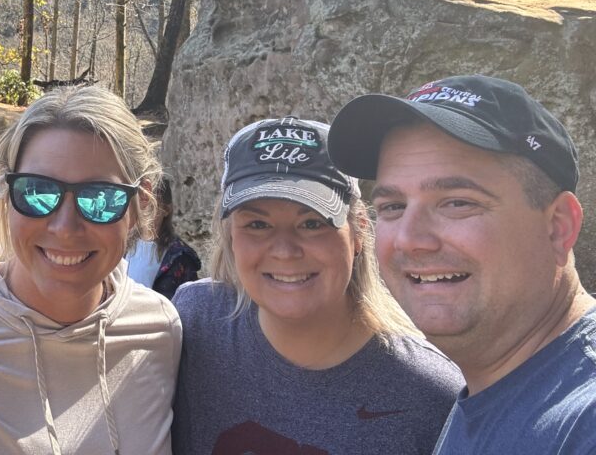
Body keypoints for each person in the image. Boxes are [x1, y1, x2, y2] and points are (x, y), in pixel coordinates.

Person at [0, 85, 181, 454]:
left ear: (139, 202)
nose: (65, 227)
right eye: (36, 191)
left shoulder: (160, 330)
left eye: (100, 198)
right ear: (6, 194)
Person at [328, 75, 596, 454]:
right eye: (393, 206)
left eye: (457, 202)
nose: (410, 239)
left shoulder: (583, 421)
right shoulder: (493, 387)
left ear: (558, 227)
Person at [172, 117, 462, 455]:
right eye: (258, 224)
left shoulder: (431, 395)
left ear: (357, 233)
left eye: (312, 223)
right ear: (231, 236)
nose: (284, 250)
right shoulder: (193, 323)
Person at [124, 177, 202, 299]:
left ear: (166, 209)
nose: (143, 210)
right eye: (140, 203)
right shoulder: (123, 246)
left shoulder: (181, 256)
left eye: (151, 205)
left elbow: (189, 303)